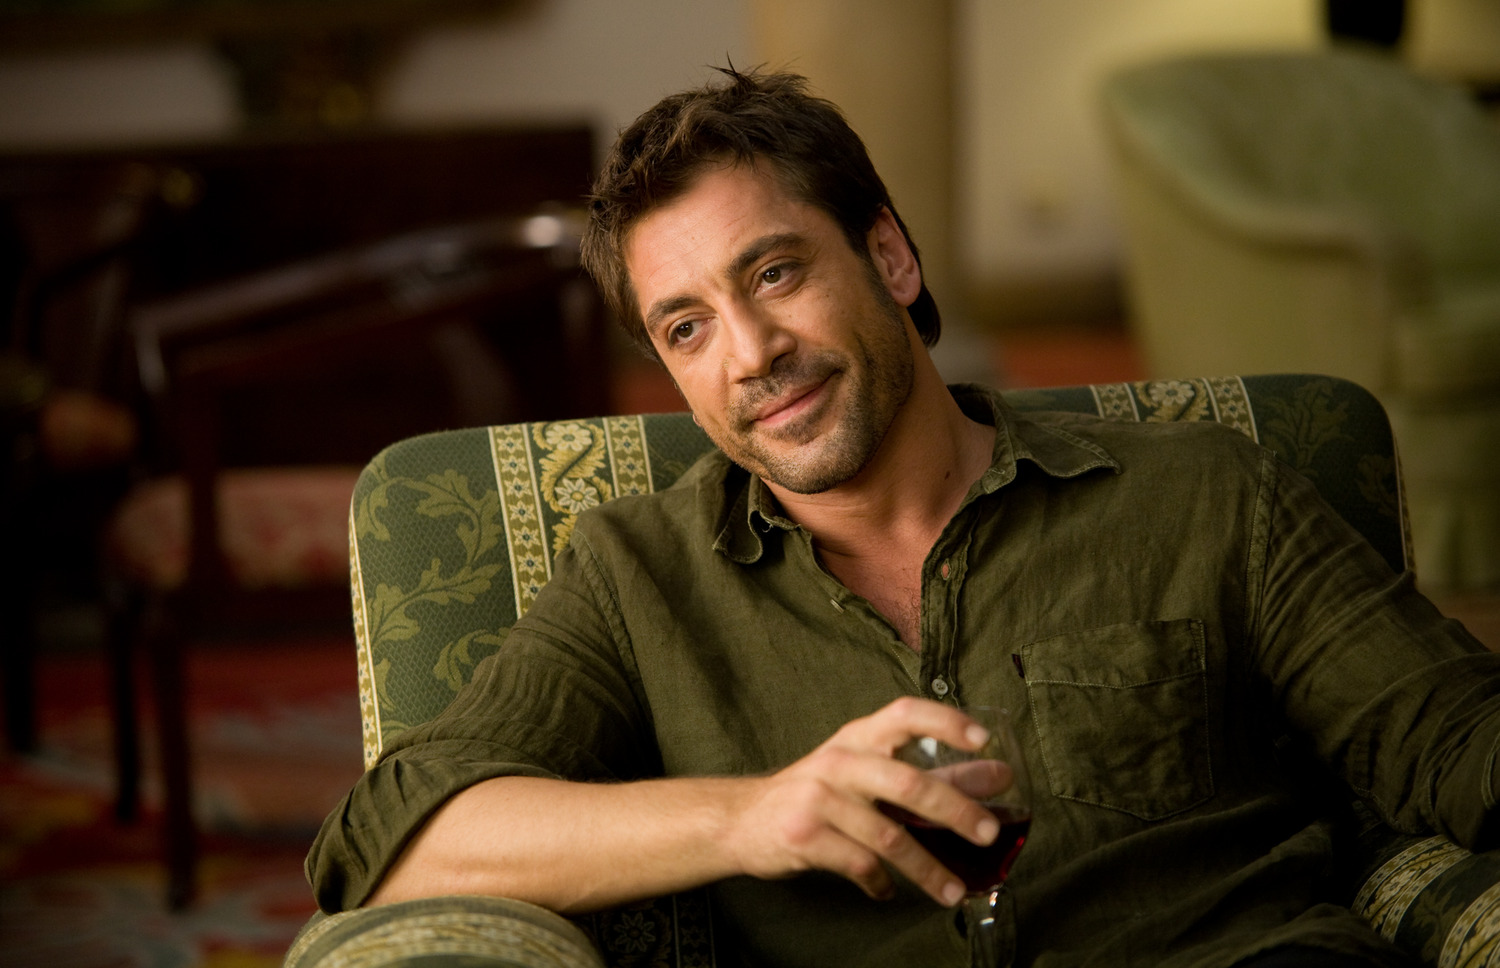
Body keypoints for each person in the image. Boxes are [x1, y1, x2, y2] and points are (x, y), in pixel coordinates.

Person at [307, 68, 1500, 968]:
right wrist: (754, 814)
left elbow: (1453, 739)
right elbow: (390, 841)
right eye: (688, 326)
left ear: (888, 257)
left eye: (775, 273)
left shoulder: (1206, 491)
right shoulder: (636, 575)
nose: (751, 353)